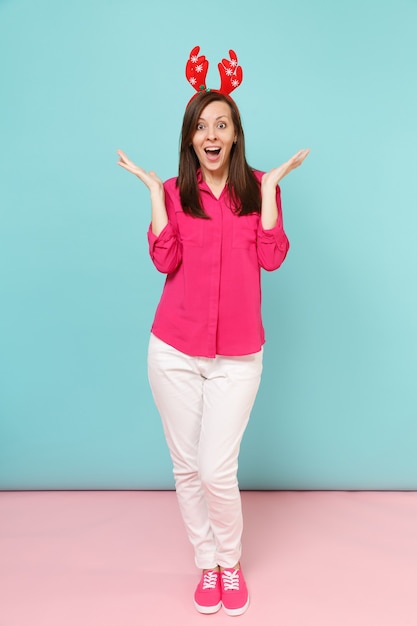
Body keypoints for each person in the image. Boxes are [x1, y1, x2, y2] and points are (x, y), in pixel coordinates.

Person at [117, 47, 309, 617]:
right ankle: (207, 564)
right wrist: (156, 197)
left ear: (235, 133)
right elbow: (163, 259)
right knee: (185, 467)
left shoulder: (256, 189)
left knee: (215, 468)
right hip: (172, 350)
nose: (211, 133)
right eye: (201, 125)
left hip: (237, 356)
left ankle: (231, 560)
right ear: (191, 136)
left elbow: (272, 258)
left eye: (220, 124)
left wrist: (271, 192)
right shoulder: (177, 193)